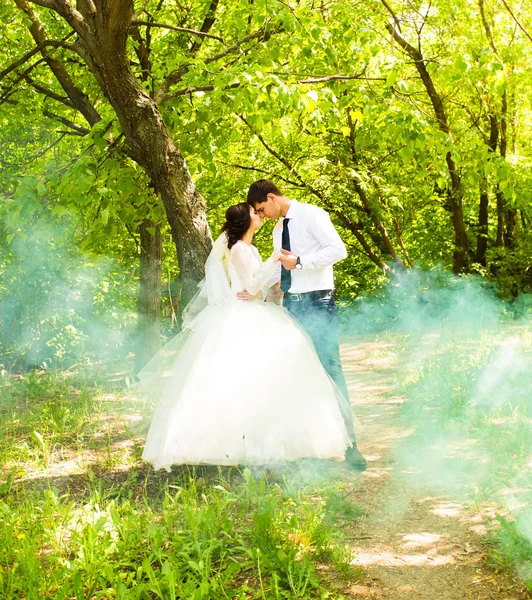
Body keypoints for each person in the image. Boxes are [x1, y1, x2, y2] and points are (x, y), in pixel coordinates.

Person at [138, 203, 352, 471]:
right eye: (255, 212)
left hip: (256, 309)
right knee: (245, 380)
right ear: (245, 220)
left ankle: (274, 442)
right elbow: (251, 285)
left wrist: (272, 283)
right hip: (242, 315)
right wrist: (274, 261)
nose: (260, 215)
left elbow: (257, 286)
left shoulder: (249, 248)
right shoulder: (239, 249)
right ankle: (242, 446)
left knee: (270, 379)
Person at [246, 180, 367, 470]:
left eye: (262, 209)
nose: (263, 216)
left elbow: (338, 250)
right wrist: (262, 292)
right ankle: (308, 447)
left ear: (272, 198)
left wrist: (300, 262)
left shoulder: (313, 214)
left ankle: (352, 447)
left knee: (330, 369)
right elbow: (280, 267)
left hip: (318, 302)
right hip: (292, 306)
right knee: (299, 373)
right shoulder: (278, 230)